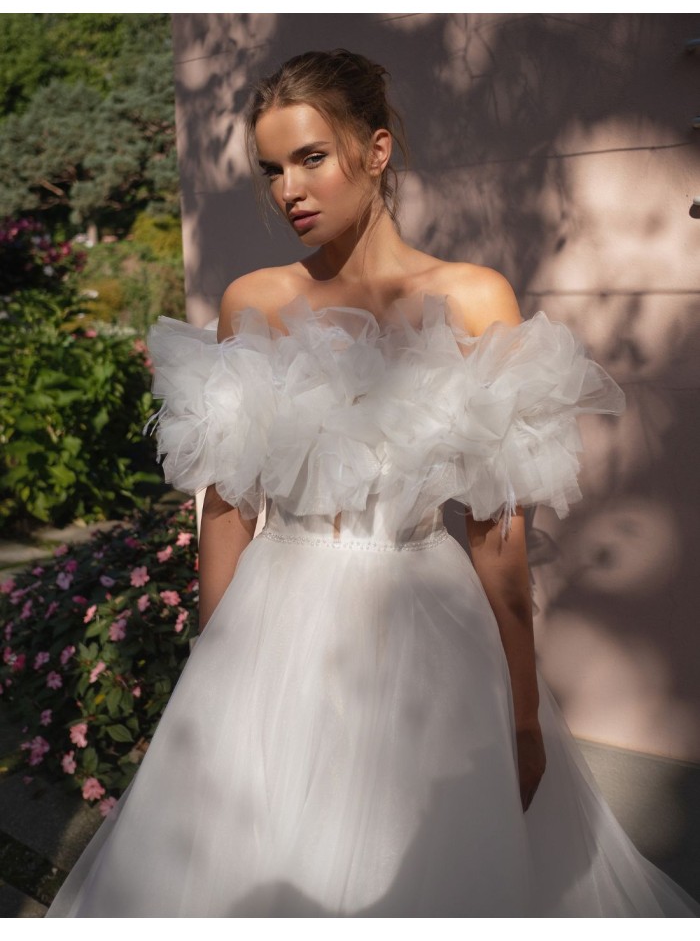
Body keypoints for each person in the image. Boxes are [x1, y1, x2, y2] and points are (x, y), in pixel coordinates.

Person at [47, 49, 699, 917]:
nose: (289, 191)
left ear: (377, 150)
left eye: (312, 158)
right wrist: (216, 662)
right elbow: (229, 512)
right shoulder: (253, 300)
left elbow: (496, 535)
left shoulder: (474, 299)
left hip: (431, 624)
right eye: (273, 169)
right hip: (270, 629)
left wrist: (524, 709)